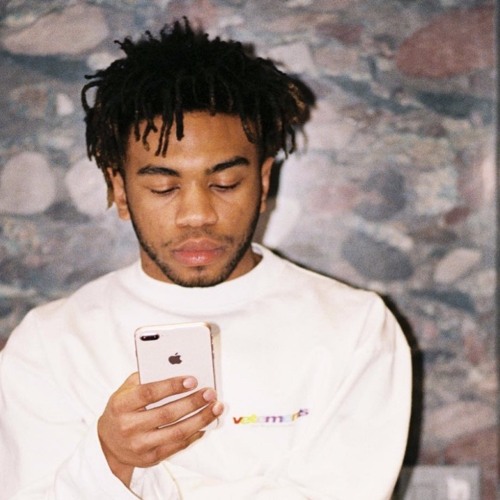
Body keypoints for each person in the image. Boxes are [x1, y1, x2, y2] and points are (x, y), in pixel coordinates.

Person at [0, 19, 412, 499]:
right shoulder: (49, 345)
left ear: (263, 182)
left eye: (224, 183)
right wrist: (111, 456)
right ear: (120, 189)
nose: (197, 215)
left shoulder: (355, 329)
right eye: (163, 187)